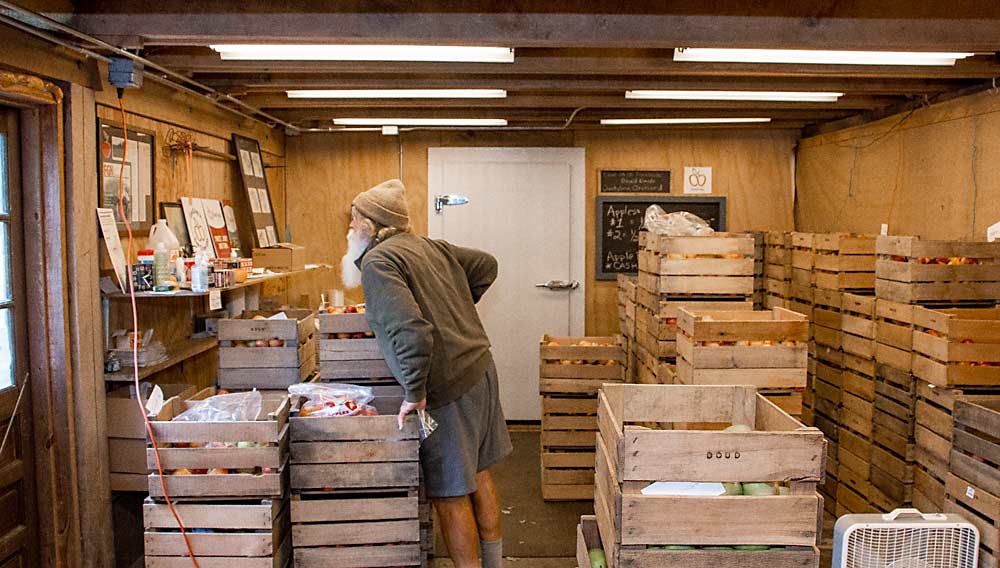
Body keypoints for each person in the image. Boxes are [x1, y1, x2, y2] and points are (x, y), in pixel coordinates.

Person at [341, 178, 513, 568]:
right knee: (480, 474)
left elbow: (411, 331)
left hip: (447, 388)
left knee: (450, 494)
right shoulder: (429, 246)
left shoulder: (378, 262)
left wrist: (414, 392)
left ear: (371, 224)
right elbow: (486, 265)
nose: (350, 228)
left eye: (354, 219)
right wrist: (454, 305)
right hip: (480, 368)